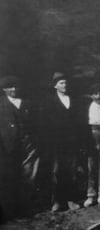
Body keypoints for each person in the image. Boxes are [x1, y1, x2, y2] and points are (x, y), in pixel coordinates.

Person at [0, 76, 39, 222]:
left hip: (28, 145)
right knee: (10, 178)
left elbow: (35, 124)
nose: (14, 90)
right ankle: (11, 211)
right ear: (4, 89)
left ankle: (26, 208)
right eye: (10, 87)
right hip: (8, 147)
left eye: (15, 87)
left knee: (28, 176)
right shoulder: (1, 104)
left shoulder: (27, 103)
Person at [43, 72, 81, 212]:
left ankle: (71, 199)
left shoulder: (74, 100)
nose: (65, 85)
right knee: (57, 171)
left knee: (71, 171)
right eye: (61, 83)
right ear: (55, 86)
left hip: (72, 142)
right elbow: (46, 125)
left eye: (66, 82)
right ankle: (58, 201)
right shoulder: (50, 102)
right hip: (57, 143)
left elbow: (79, 122)